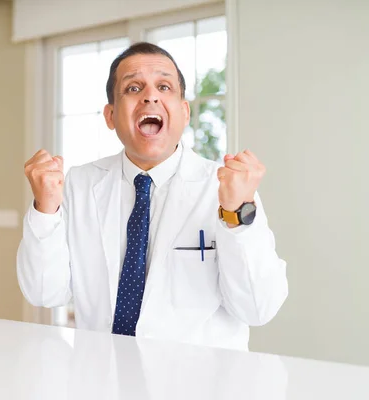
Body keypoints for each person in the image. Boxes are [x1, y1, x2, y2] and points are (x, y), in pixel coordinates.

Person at [17, 42, 288, 351]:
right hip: (102, 377)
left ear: (184, 112)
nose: (150, 95)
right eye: (133, 88)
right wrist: (44, 209)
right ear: (110, 115)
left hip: (199, 384)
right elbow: (43, 293)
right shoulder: (78, 184)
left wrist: (238, 213)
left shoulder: (225, 188)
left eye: (164, 86)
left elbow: (257, 308)